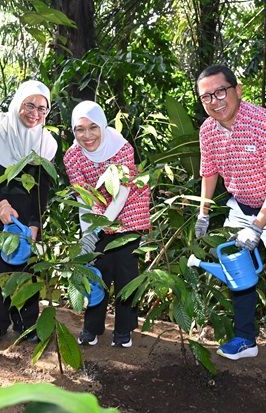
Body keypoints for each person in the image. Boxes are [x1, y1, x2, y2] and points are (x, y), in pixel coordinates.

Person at [194, 65, 266, 390]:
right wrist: (203, 213)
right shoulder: (208, 131)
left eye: (220, 91)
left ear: (237, 90)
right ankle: (245, 338)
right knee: (237, 272)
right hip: (241, 204)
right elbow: (209, 172)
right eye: (206, 97)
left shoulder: (263, 122)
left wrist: (257, 227)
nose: (214, 101)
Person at [0, 80, 57, 344]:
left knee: (27, 266)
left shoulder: (46, 143)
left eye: (42, 109)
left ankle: (27, 322)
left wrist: (35, 222)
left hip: (28, 209)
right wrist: (1, 203)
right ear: (17, 103)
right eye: (29, 105)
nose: (35, 113)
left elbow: (43, 187)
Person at [63, 100, 151, 348]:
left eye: (93, 127)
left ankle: (124, 329)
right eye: (80, 129)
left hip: (128, 211)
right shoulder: (72, 156)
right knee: (95, 271)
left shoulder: (122, 148)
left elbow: (121, 194)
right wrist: (88, 234)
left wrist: (98, 227)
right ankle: (92, 327)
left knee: (125, 271)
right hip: (95, 213)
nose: (87, 135)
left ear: (102, 126)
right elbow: (83, 197)